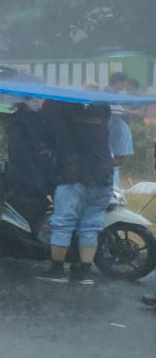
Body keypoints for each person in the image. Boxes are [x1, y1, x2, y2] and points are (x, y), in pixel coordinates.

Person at [36, 100, 115, 285]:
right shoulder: (101, 115)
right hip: (104, 177)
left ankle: (57, 270)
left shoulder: (63, 116)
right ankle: (83, 273)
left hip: (73, 177)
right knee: (91, 226)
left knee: (63, 223)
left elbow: (48, 137)